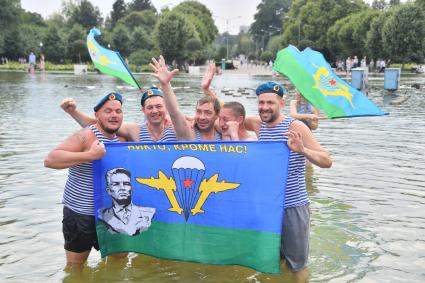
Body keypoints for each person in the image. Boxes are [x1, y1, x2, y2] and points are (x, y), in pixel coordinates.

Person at [244, 82, 332, 277]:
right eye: (261, 102)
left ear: (281, 104)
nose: (264, 107)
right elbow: (226, 116)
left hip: (293, 206)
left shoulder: (295, 126)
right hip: (268, 208)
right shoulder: (258, 125)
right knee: (271, 261)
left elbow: (326, 160)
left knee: (297, 267)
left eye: (270, 103)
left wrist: (302, 150)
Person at [44, 92, 126, 266]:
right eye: (108, 111)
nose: (113, 115)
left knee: (118, 264)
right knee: (76, 268)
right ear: (97, 115)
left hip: (114, 214)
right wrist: (89, 155)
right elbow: (50, 159)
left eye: (118, 111)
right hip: (81, 214)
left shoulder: (124, 139)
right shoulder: (85, 136)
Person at [61, 87, 177, 142]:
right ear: (143, 110)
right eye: (150, 107)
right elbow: (100, 124)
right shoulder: (135, 130)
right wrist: (73, 112)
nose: (154, 111)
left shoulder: (177, 128)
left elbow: (194, 122)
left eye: (159, 106)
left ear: (166, 108)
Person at [150, 55, 221, 141]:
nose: (202, 117)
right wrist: (165, 85)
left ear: (217, 115)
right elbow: (174, 113)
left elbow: (231, 114)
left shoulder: (223, 133)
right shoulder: (189, 132)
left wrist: (206, 89)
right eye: (198, 112)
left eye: (208, 113)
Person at [99, 168, 155, 236]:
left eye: (126, 184)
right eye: (116, 184)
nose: (122, 188)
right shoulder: (102, 215)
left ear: (131, 189)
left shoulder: (149, 213)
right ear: (108, 191)